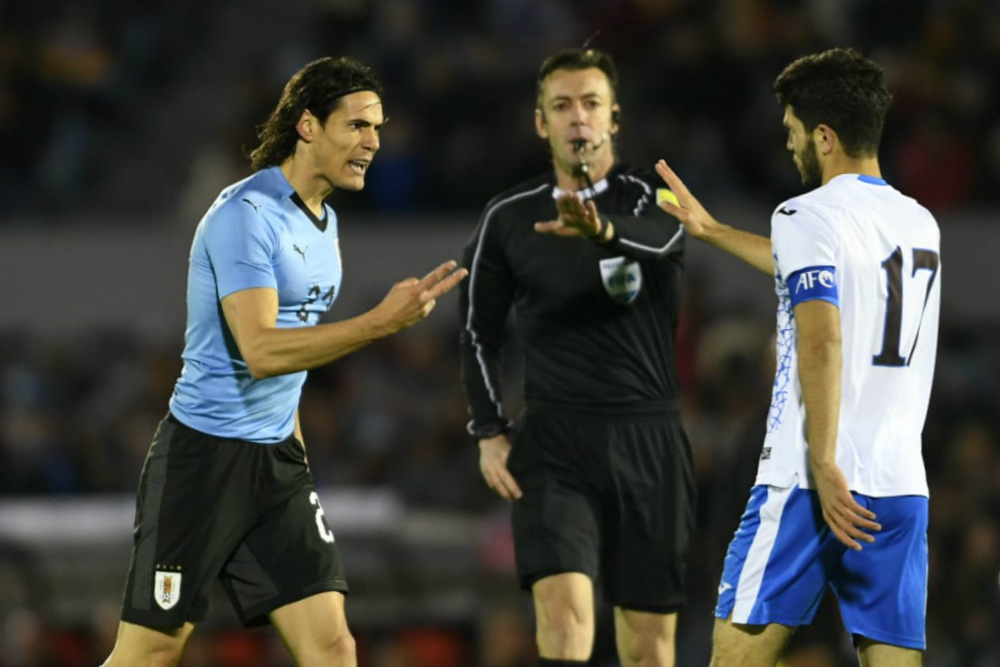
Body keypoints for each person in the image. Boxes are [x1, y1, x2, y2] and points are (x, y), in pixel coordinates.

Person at [101, 56, 467, 667]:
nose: (374, 142)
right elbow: (262, 350)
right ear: (307, 126)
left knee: (332, 645)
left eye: (378, 127)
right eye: (356, 126)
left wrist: (293, 455)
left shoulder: (325, 226)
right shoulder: (244, 216)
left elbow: (291, 364)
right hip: (203, 462)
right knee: (152, 653)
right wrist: (380, 322)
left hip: (277, 466)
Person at [655, 48, 940, 667]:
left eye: (791, 133)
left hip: (808, 485)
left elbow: (821, 337)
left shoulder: (804, 214)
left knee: (732, 659)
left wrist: (823, 459)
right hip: (897, 488)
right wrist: (716, 232)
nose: (788, 146)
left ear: (824, 136)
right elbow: (824, 271)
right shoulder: (920, 223)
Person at [459, 47, 695, 667]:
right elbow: (478, 331)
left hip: (649, 439)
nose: (577, 118)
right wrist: (488, 430)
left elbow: (673, 236)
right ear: (542, 123)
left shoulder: (653, 197)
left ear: (614, 118)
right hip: (556, 444)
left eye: (591, 104)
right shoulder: (508, 218)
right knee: (563, 626)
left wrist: (603, 231)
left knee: (649, 646)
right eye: (561, 106)